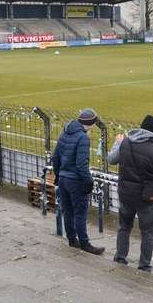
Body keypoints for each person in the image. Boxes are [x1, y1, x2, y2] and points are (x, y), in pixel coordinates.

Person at [108, 115, 153, 272]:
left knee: (124, 227)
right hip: (146, 197)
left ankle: (120, 257)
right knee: (148, 232)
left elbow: (111, 159)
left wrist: (117, 142)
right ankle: (144, 265)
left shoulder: (124, 143)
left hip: (125, 193)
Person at [51, 108, 104, 255]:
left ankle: (72, 240)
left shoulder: (65, 132)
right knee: (80, 213)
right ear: (92, 124)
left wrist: (58, 174)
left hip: (63, 178)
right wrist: (89, 181)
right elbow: (82, 164)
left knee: (68, 211)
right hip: (75, 181)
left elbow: (56, 157)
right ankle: (84, 243)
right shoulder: (83, 138)